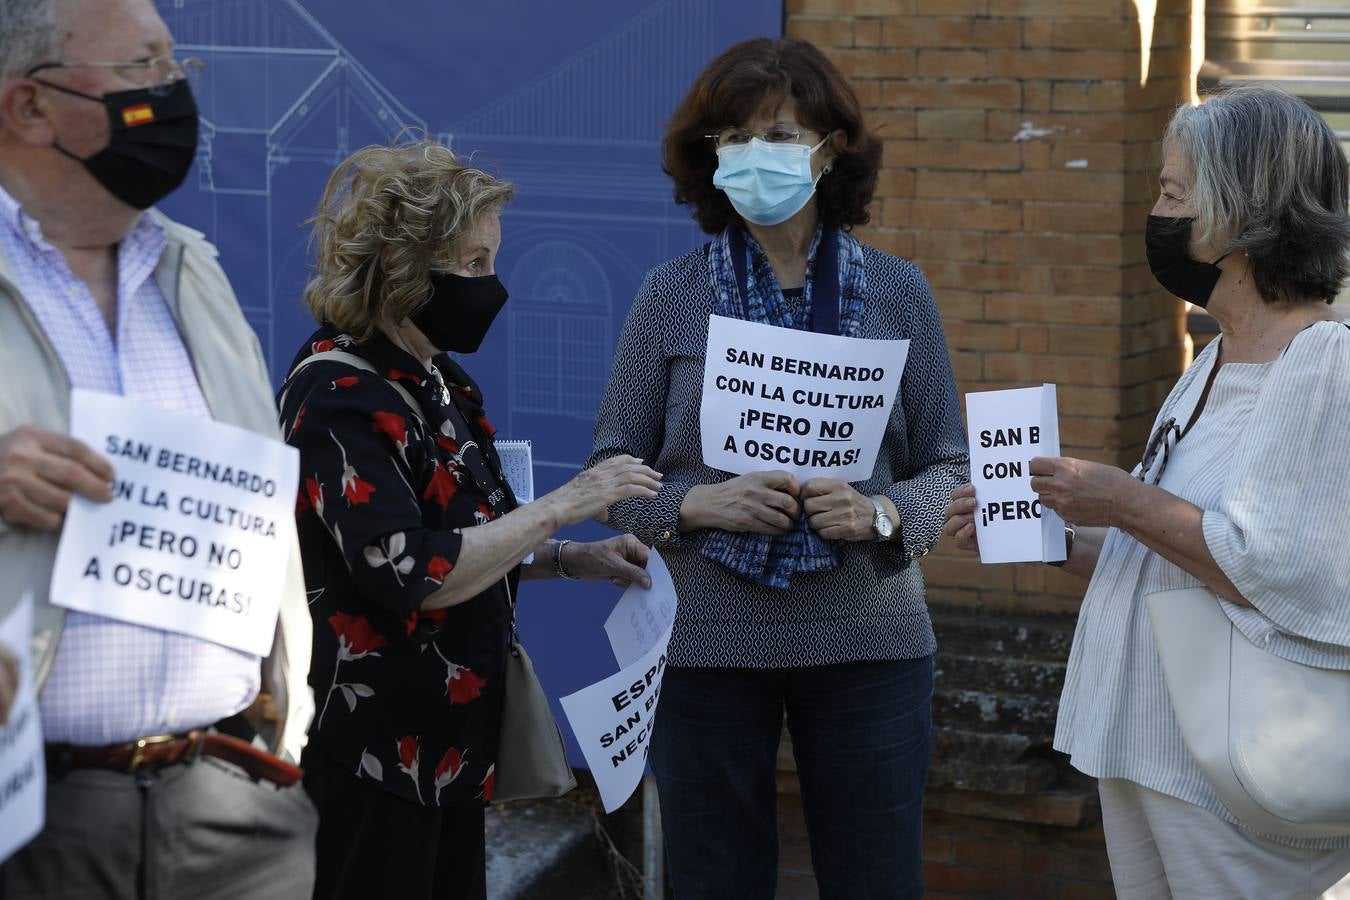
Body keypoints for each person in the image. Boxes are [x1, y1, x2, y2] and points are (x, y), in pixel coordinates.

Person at [944, 83, 1350, 898]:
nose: (1158, 214)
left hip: (1234, 771)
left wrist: (1121, 500)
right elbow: (1167, 565)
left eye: (1173, 193)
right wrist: (1048, 533)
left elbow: (1281, 574)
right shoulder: (1212, 364)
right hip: (1149, 750)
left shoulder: (1322, 364)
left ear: (1243, 213)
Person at [587, 38, 968, 900]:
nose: (754, 156)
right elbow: (612, 466)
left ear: (831, 150)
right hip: (708, 643)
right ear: (708, 157)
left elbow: (950, 464)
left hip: (868, 636)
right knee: (715, 879)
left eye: (780, 135)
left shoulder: (901, 292)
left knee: (875, 879)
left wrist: (880, 514)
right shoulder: (670, 294)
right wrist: (698, 505)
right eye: (733, 138)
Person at [278, 138, 662, 900]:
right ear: (404, 269)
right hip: (376, 750)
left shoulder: (437, 376)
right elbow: (412, 571)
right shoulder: (341, 393)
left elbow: (477, 536)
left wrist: (573, 558)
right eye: (474, 264)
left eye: (493, 259)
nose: (493, 286)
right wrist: (564, 503)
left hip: (452, 747)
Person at [0, 0, 317, 897]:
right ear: (29, 108)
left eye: (176, 68)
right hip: (30, 818)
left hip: (234, 800)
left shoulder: (190, 269)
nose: (172, 94)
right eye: (142, 69)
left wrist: (283, 734)